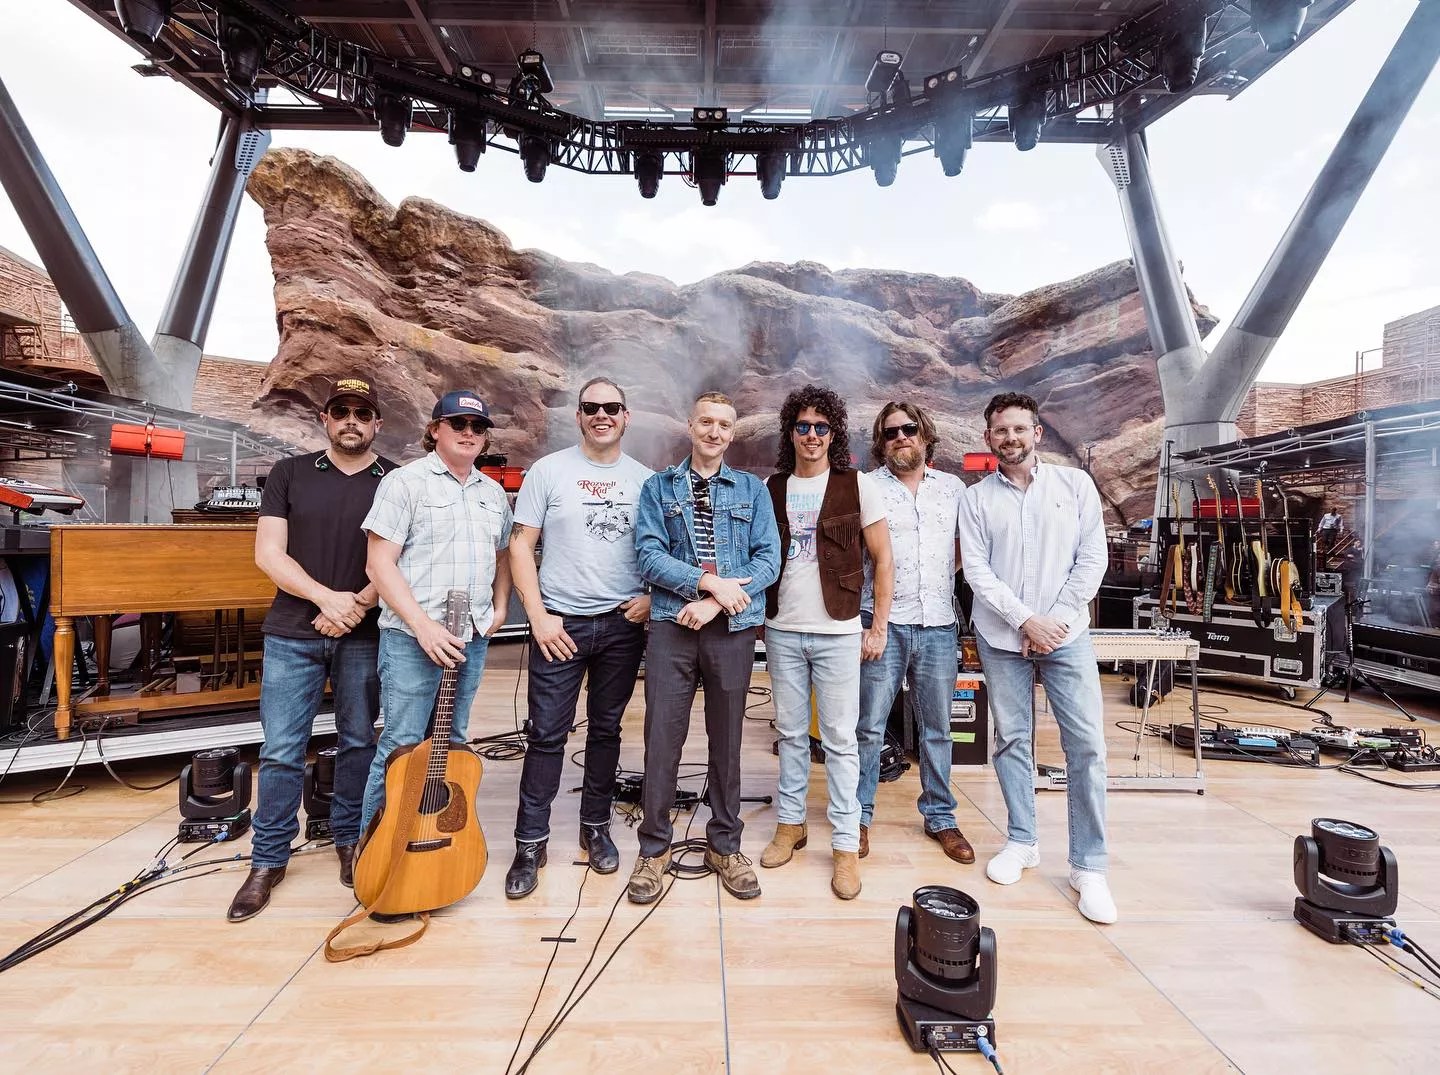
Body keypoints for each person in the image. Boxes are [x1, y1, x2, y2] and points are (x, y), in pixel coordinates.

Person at [227, 376, 396, 923]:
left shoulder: (395, 479)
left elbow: (403, 556)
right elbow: (268, 554)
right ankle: (268, 859)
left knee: (356, 743)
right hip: (293, 633)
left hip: (365, 633)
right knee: (280, 748)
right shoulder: (290, 473)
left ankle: (349, 839)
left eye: (362, 413)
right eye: (341, 411)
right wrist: (328, 600)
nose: (352, 420)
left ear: (376, 423)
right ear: (325, 419)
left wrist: (358, 606)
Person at [956, 391, 1115, 924]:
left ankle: (1089, 865)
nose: (1011, 439)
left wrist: (1054, 623)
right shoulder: (976, 499)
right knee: (1011, 741)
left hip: (1066, 636)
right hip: (1003, 638)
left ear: (1037, 433)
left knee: (1087, 745)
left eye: (1020, 429)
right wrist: (1026, 620)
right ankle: (1022, 840)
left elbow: (1093, 557)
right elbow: (977, 571)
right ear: (988, 439)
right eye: (1001, 431)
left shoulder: (1075, 486)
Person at [627, 392, 781, 904]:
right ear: (690, 427)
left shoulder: (753, 491)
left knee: (727, 740)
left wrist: (717, 603)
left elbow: (767, 562)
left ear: (732, 434)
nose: (714, 432)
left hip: (730, 630)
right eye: (706, 422)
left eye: (724, 425)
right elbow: (648, 556)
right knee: (662, 738)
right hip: (673, 626)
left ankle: (725, 844)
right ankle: (654, 850)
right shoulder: (658, 487)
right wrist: (706, 583)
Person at [504, 377, 653, 898]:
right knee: (546, 733)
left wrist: (653, 599)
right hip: (559, 624)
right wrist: (538, 617)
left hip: (620, 625)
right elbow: (521, 546)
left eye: (612, 407)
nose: (602, 415)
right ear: (580, 416)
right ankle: (530, 841)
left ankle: (596, 829)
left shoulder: (645, 481)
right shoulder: (549, 472)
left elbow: (664, 550)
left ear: (626, 416)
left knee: (607, 731)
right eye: (591, 408)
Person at [358, 390, 513, 847]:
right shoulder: (405, 483)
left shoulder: (492, 494)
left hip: (470, 638)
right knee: (401, 744)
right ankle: (374, 848)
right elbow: (378, 565)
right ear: (434, 429)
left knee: (453, 742)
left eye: (478, 427)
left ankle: (431, 842)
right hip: (411, 638)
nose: (469, 433)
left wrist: (501, 607)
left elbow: (503, 556)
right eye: (459, 424)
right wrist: (424, 627)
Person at [759, 384, 892, 901]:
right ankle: (791, 824)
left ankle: (843, 845)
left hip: (838, 631)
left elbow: (883, 559)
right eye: (802, 426)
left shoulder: (857, 485)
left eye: (821, 427)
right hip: (783, 628)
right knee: (791, 733)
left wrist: (876, 627)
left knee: (839, 740)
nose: (811, 435)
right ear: (790, 432)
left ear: (833, 434)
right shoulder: (772, 488)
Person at [856, 402, 974, 865]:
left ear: (925, 435)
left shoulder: (953, 489)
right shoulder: (867, 487)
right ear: (880, 443)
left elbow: (966, 549)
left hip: (939, 624)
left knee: (938, 729)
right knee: (868, 727)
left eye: (909, 429)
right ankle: (859, 817)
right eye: (890, 433)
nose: (900, 437)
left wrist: (940, 576)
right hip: (880, 622)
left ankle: (941, 817)